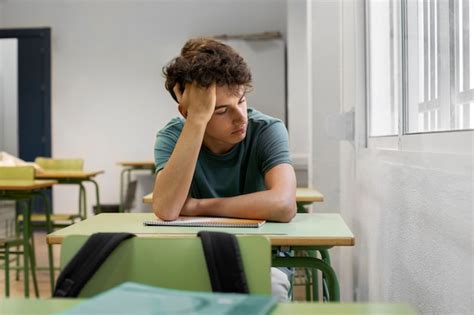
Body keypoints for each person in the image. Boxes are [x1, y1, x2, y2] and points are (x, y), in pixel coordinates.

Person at [153, 37, 297, 301]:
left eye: (241, 100)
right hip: (193, 253)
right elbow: (166, 209)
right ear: (188, 112)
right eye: (221, 110)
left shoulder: (267, 129)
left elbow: (284, 204)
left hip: (265, 254)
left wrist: (197, 206)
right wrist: (196, 120)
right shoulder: (172, 136)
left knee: (269, 289)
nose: (241, 117)